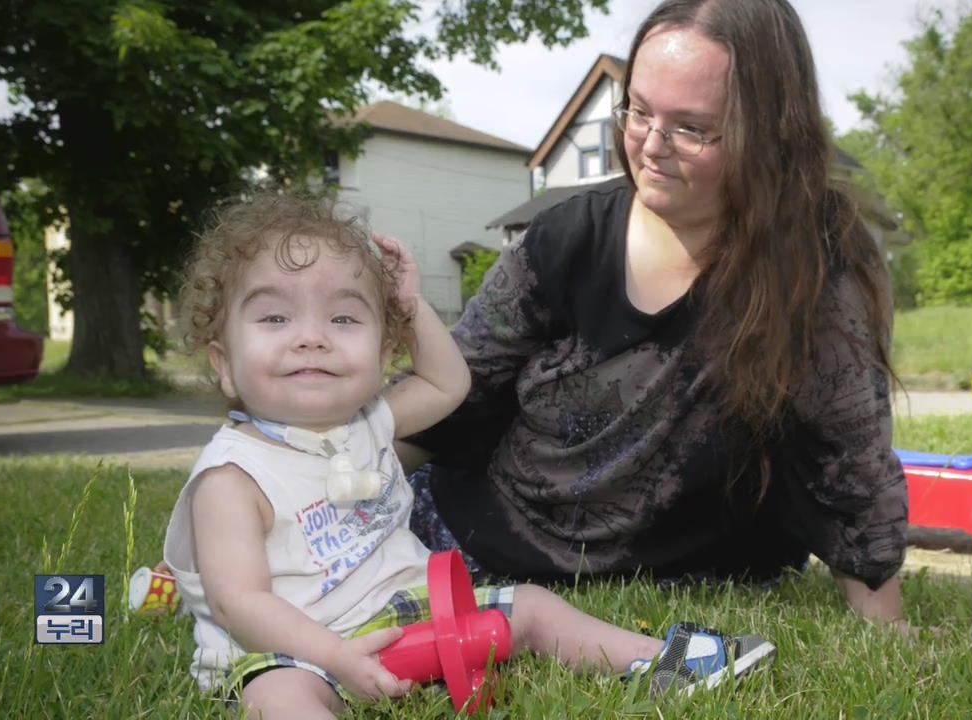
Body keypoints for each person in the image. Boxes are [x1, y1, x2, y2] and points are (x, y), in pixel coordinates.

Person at [398, 0, 912, 631]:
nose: (650, 146)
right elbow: (453, 396)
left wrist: (888, 625)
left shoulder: (819, 263)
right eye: (639, 110)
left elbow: (849, 456)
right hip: (482, 539)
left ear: (772, 130)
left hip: (701, 575)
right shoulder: (567, 237)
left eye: (692, 128)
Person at [160, 194, 776, 719]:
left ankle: (665, 660)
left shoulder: (371, 422)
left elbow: (448, 384)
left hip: (406, 610)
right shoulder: (233, 478)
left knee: (531, 605)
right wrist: (336, 658)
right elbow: (240, 604)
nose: (312, 335)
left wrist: (413, 308)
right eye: (274, 316)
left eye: (345, 317)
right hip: (289, 643)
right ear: (224, 365)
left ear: (381, 356)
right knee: (282, 696)